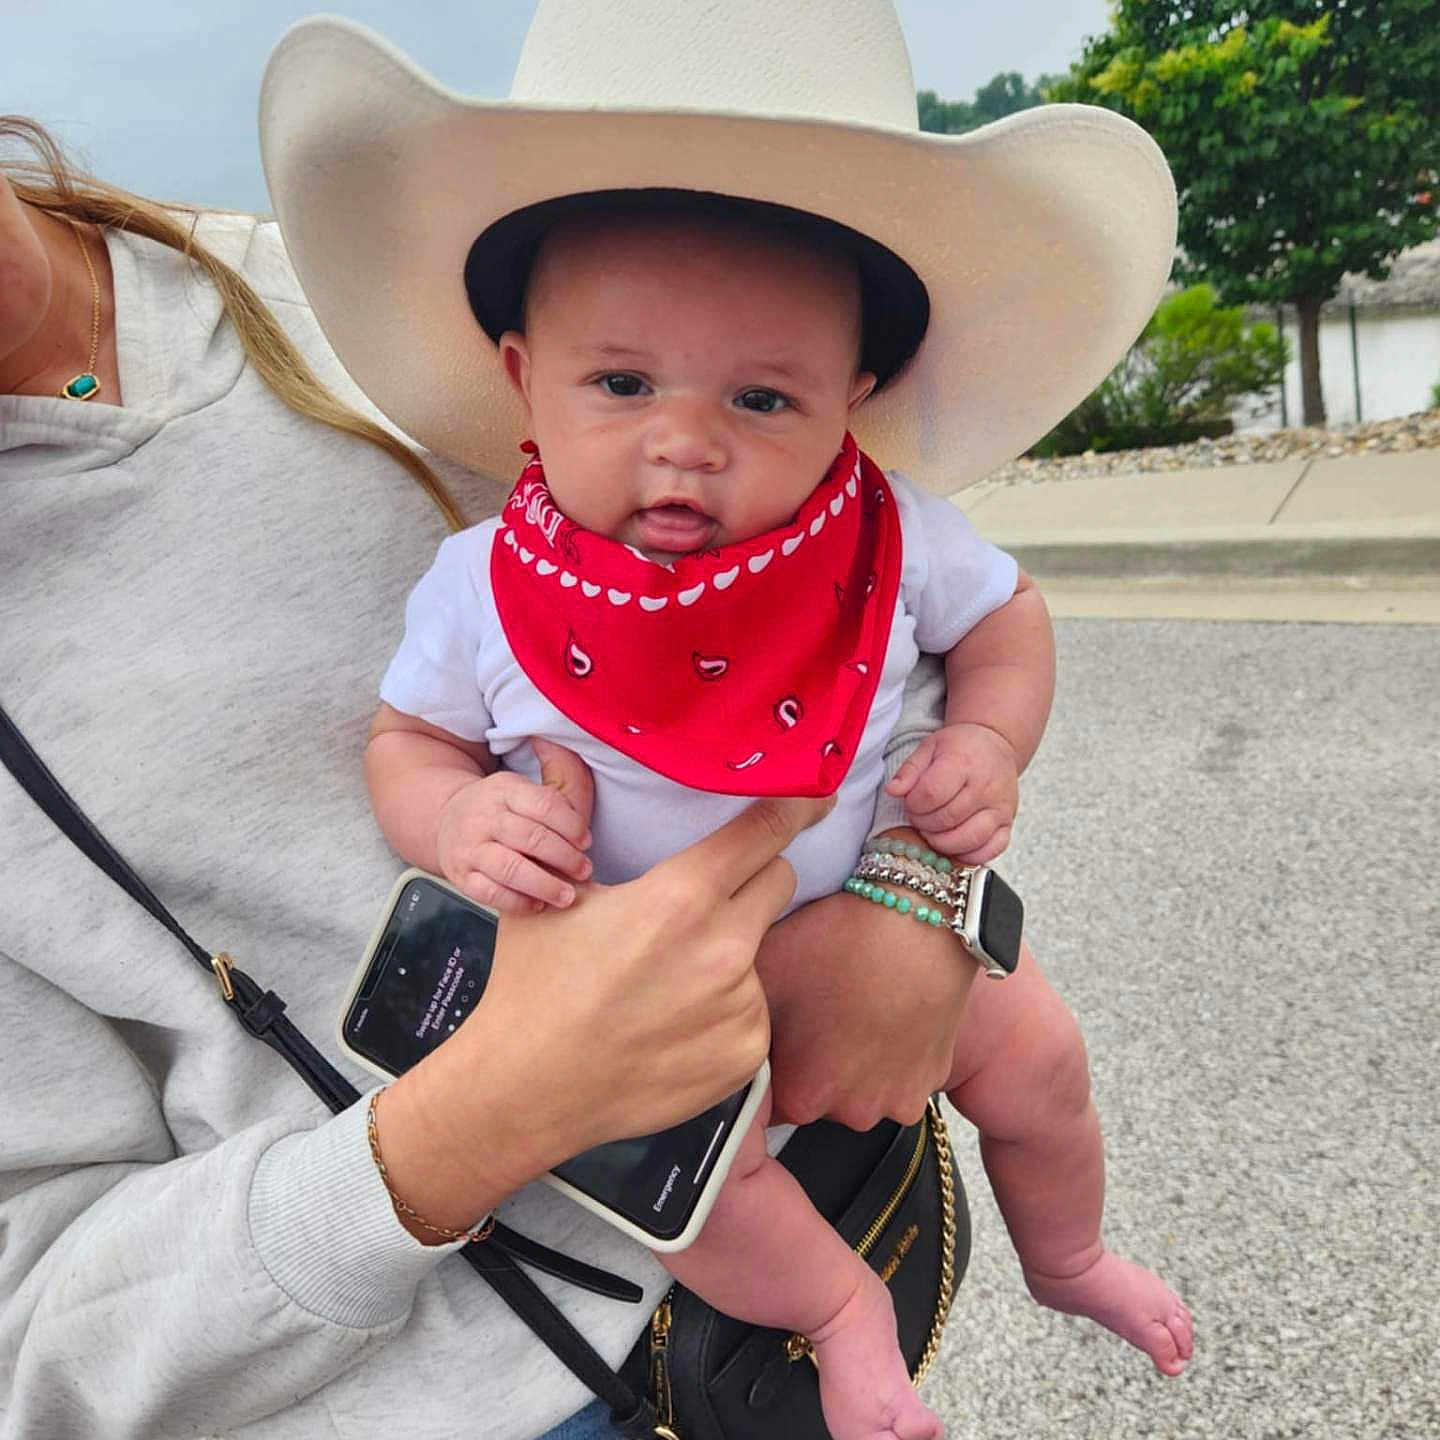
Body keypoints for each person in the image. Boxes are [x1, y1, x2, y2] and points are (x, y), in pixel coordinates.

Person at [259, 1, 1198, 1425]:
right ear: (521, 375)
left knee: (1044, 1056)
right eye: (621, 383)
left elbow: (1008, 623)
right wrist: (459, 814)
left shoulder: (892, 537)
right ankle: (841, 1311)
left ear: (855, 399)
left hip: (884, 928)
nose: (685, 441)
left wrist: (989, 741)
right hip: (651, 1004)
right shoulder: (483, 587)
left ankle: (1066, 1254)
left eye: (763, 397)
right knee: (689, 1178)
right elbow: (411, 740)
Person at [0, 109, 983, 1440]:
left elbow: (863, 581)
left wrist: (917, 893)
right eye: (627, 394)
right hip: (476, 1397)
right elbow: (33, 1331)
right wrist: (479, 1124)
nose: (680, 441)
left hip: (840, 1158)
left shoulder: (369, 292)